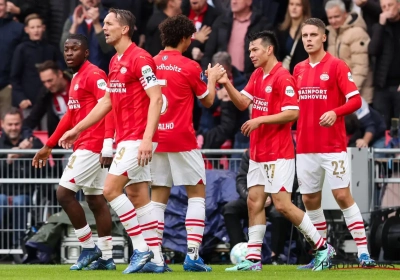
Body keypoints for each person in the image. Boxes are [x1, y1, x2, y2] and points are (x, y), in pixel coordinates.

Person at [208, 30, 335, 272]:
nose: (251, 54)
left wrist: (260, 120)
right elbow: (243, 102)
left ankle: (322, 247)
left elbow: (293, 112)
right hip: (257, 152)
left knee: (283, 205)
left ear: (269, 49)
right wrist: (226, 83)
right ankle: (254, 259)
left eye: (255, 49)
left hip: (279, 153)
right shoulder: (257, 75)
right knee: (254, 201)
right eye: (249, 50)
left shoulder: (282, 77)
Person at [58, 9, 164, 274]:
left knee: (110, 190)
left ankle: (141, 249)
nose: (104, 28)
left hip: (138, 138)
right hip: (127, 138)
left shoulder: (141, 59)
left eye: (109, 23)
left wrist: (147, 140)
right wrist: (77, 129)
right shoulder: (116, 62)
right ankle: (158, 261)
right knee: (139, 196)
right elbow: (106, 102)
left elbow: (157, 98)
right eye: (103, 23)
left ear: (124, 29)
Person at [293, 17, 376, 269]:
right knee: (309, 201)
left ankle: (363, 252)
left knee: (342, 195)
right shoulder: (298, 69)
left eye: (313, 35)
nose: (308, 40)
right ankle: (322, 253)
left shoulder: (337, 65)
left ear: (323, 37)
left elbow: (355, 100)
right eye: (305, 36)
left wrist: (336, 112)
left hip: (332, 146)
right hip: (305, 146)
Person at [32, 34, 115, 271]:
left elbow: (109, 107)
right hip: (88, 144)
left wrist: (108, 142)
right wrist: (49, 144)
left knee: (64, 193)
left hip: (93, 144)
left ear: (86, 52)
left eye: (75, 49)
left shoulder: (95, 74)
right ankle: (107, 257)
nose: (69, 53)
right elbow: (70, 115)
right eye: (66, 49)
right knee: (96, 200)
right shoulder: (76, 78)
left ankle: (88, 247)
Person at [150, 14, 224, 272]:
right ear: (184, 38)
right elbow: (208, 100)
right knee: (196, 195)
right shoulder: (190, 66)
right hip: (182, 138)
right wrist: (212, 77)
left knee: (158, 198)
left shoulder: (150, 63)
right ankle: (192, 256)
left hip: (156, 138)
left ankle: (155, 257)